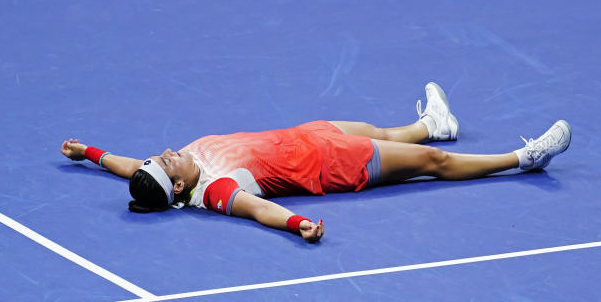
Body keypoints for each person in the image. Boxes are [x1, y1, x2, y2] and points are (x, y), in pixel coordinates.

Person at [60, 82, 571, 243]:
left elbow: (132, 168)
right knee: (432, 162)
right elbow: (259, 211)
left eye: (159, 156)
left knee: (391, 131)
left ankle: (435, 121)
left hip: (304, 135)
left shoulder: (168, 169)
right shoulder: (214, 189)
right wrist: (300, 222)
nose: (168, 153)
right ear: (177, 190)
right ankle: (523, 158)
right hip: (333, 166)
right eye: (167, 164)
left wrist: (92, 154)